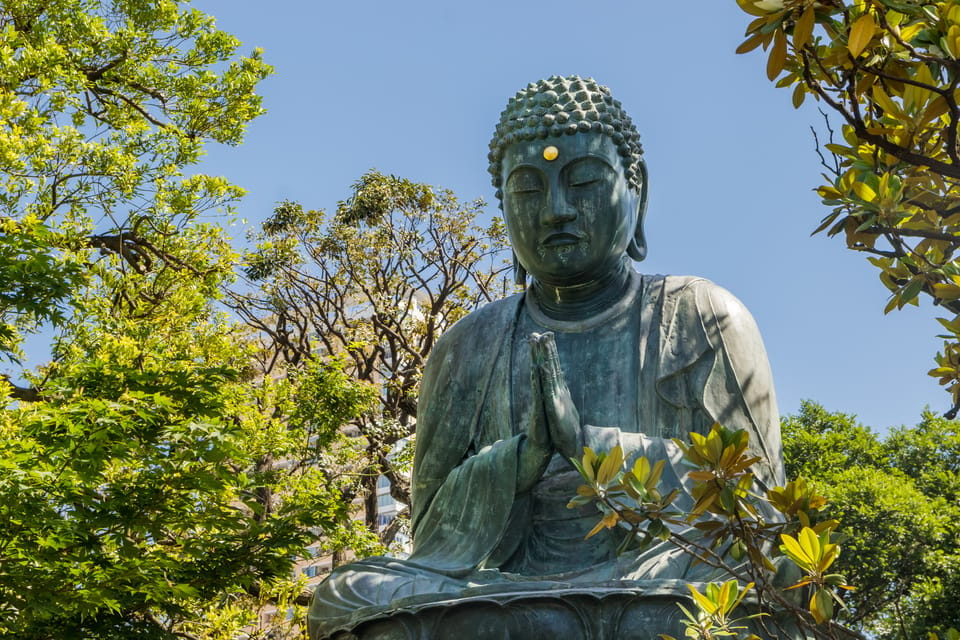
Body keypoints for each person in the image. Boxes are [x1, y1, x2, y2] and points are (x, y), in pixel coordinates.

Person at [307, 76, 785, 639]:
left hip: (657, 578)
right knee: (347, 595)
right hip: (501, 587)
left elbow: (756, 509)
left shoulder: (701, 315)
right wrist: (522, 457)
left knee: (764, 578)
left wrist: (587, 444)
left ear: (639, 193)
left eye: (584, 181)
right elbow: (432, 532)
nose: (557, 210)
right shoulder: (468, 344)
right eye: (529, 190)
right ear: (505, 207)